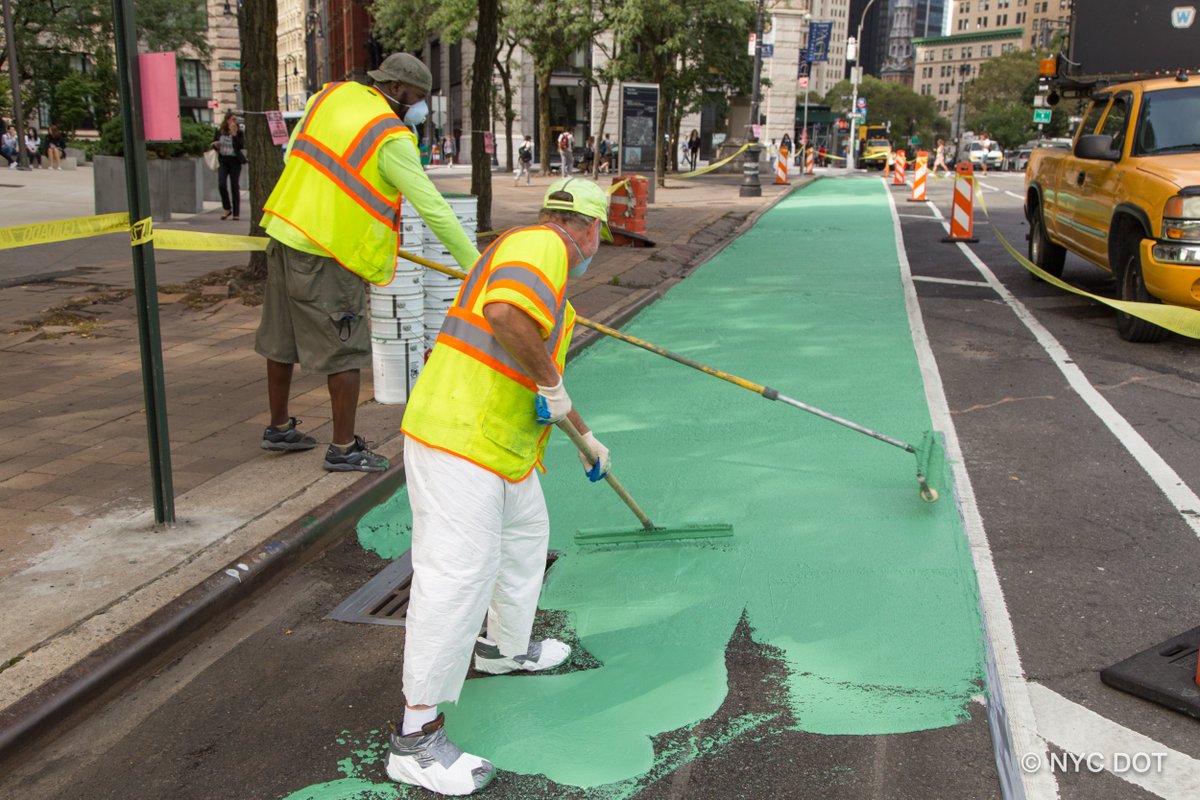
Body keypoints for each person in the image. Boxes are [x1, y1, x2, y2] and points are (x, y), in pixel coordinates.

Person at [387, 177, 614, 795]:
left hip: (502, 449)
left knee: (523, 542)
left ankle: (504, 649)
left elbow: (539, 377)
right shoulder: (544, 244)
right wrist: (551, 385)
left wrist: (585, 436)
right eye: (600, 234)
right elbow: (506, 314)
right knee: (457, 576)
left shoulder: (554, 295)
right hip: (459, 439)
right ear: (588, 228)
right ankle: (415, 739)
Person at [255, 52, 480, 472]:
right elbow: (432, 206)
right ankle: (344, 448)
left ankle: (279, 427)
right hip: (328, 250)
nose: (418, 107)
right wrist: (475, 266)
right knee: (347, 347)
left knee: (280, 338)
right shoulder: (389, 135)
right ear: (394, 89)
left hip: (285, 229)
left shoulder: (329, 97)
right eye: (415, 97)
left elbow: (295, 158)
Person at [211, 113, 245, 220]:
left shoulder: (239, 132)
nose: (234, 122)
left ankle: (236, 213)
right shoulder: (220, 131)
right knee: (221, 184)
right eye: (232, 119)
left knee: (235, 186)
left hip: (235, 161)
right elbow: (214, 142)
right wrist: (215, 145)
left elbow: (241, 146)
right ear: (227, 120)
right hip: (223, 160)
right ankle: (227, 208)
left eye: (235, 120)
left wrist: (235, 135)